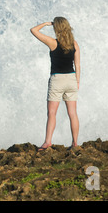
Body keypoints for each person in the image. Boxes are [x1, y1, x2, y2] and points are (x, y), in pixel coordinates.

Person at [30, 17, 80, 151]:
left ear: (56, 28)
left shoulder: (53, 43)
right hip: (71, 79)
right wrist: (77, 82)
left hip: (57, 80)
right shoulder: (74, 44)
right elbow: (78, 65)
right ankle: (75, 143)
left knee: (52, 113)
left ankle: (47, 142)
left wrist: (46, 24)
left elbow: (33, 30)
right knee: (73, 113)